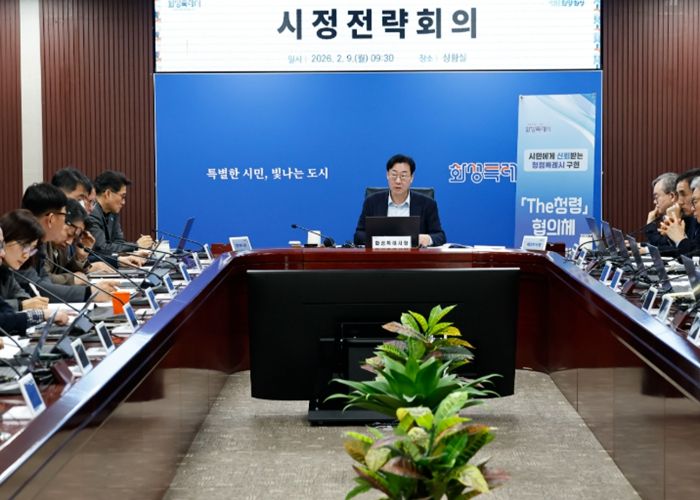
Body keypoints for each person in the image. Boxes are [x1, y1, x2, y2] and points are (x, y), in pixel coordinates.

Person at [18, 183, 117, 303]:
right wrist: (89, 292)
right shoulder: (20, 242)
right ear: (51, 219)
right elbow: (38, 288)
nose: (65, 221)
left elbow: (44, 281)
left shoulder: (38, 242)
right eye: (64, 217)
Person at [354, 154, 446, 247]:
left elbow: (440, 236)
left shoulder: (427, 204)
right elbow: (358, 235)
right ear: (387, 175)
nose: (398, 181)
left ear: (412, 177)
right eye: (394, 175)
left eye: (403, 176)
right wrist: (378, 239)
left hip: (414, 255)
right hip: (381, 254)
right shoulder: (372, 202)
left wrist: (428, 239)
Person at [0, 221, 69, 334]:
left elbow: (10, 307)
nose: (26, 255)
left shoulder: (6, 271)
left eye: (31, 249)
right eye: (24, 246)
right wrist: (38, 314)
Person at [87, 170, 153, 256]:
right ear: (108, 194)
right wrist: (136, 246)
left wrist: (136, 252)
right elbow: (101, 248)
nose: (123, 202)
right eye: (122, 196)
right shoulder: (91, 213)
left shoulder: (112, 212)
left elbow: (119, 242)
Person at [659, 170, 700, 254]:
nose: (679, 202)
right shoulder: (690, 219)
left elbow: (694, 256)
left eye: (683, 194)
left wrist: (679, 238)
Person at [643, 173, 677, 250]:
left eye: (656, 197)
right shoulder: (667, 217)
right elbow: (662, 244)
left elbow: (675, 249)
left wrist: (650, 225)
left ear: (672, 196)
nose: (654, 202)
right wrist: (641, 245)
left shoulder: (687, 218)